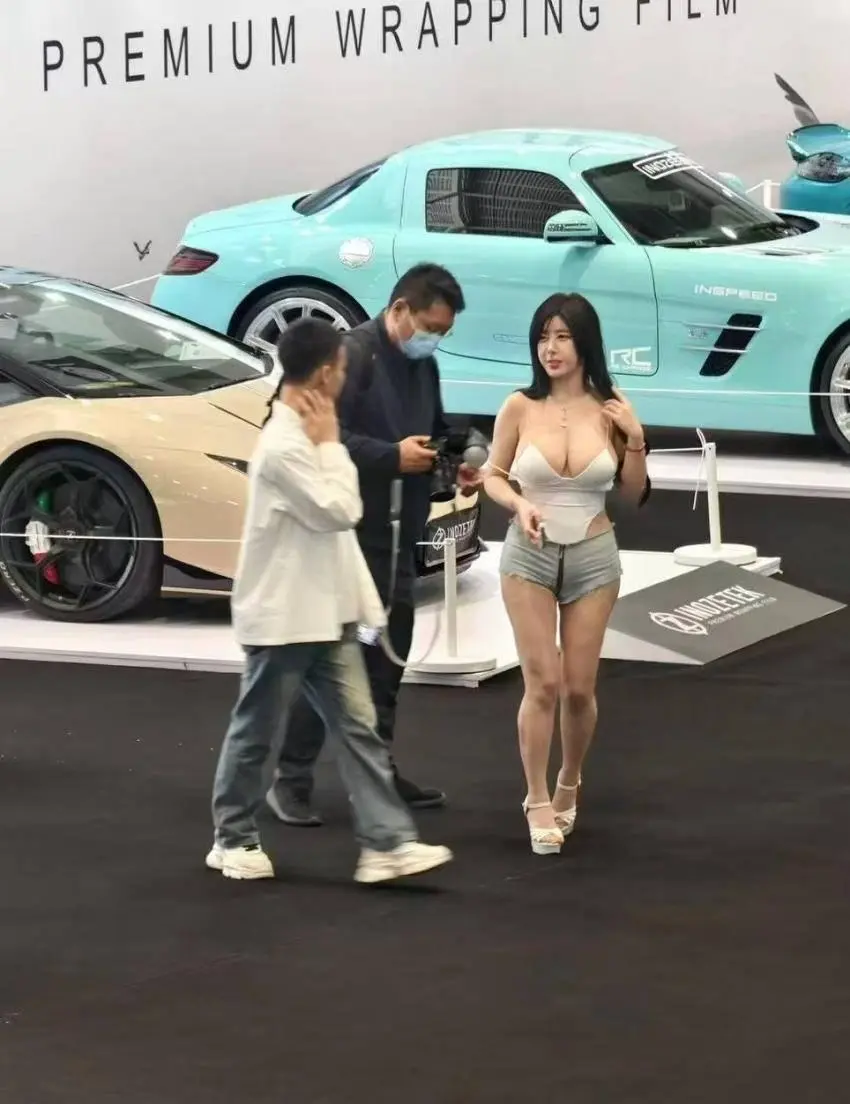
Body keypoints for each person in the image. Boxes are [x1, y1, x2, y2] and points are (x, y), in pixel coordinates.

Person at [206, 317, 453, 884]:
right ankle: (233, 839)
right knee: (256, 731)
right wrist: (332, 445)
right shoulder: (284, 445)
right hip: (283, 619)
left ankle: (386, 844)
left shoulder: (307, 436)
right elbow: (341, 510)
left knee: (358, 727)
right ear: (323, 375)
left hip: (328, 614)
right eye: (341, 369)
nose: (346, 377)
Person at [267, 263, 481, 827]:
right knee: (330, 661)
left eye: (443, 332)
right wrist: (391, 456)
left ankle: (378, 772)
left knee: (388, 661)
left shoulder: (423, 364)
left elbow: (432, 428)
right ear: (400, 309)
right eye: (431, 328)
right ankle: (291, 778)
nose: (434, 340)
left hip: (398, 537)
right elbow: (317, 435)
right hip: (348, 540)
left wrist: (451, 459)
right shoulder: (351, 357)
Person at [483, 293, 650, 856]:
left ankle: (569, 781)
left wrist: (636, 439)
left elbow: (633, 494)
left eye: (561, 337)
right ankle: (535, 798)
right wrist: (518, 504)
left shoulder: (611, 406)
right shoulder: (519, 406)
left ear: (585, 342)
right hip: (528, 556)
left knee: (579, 689)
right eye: (542, 337)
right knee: (543, 683)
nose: (550, 349)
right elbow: (493, 475)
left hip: (594, 557)